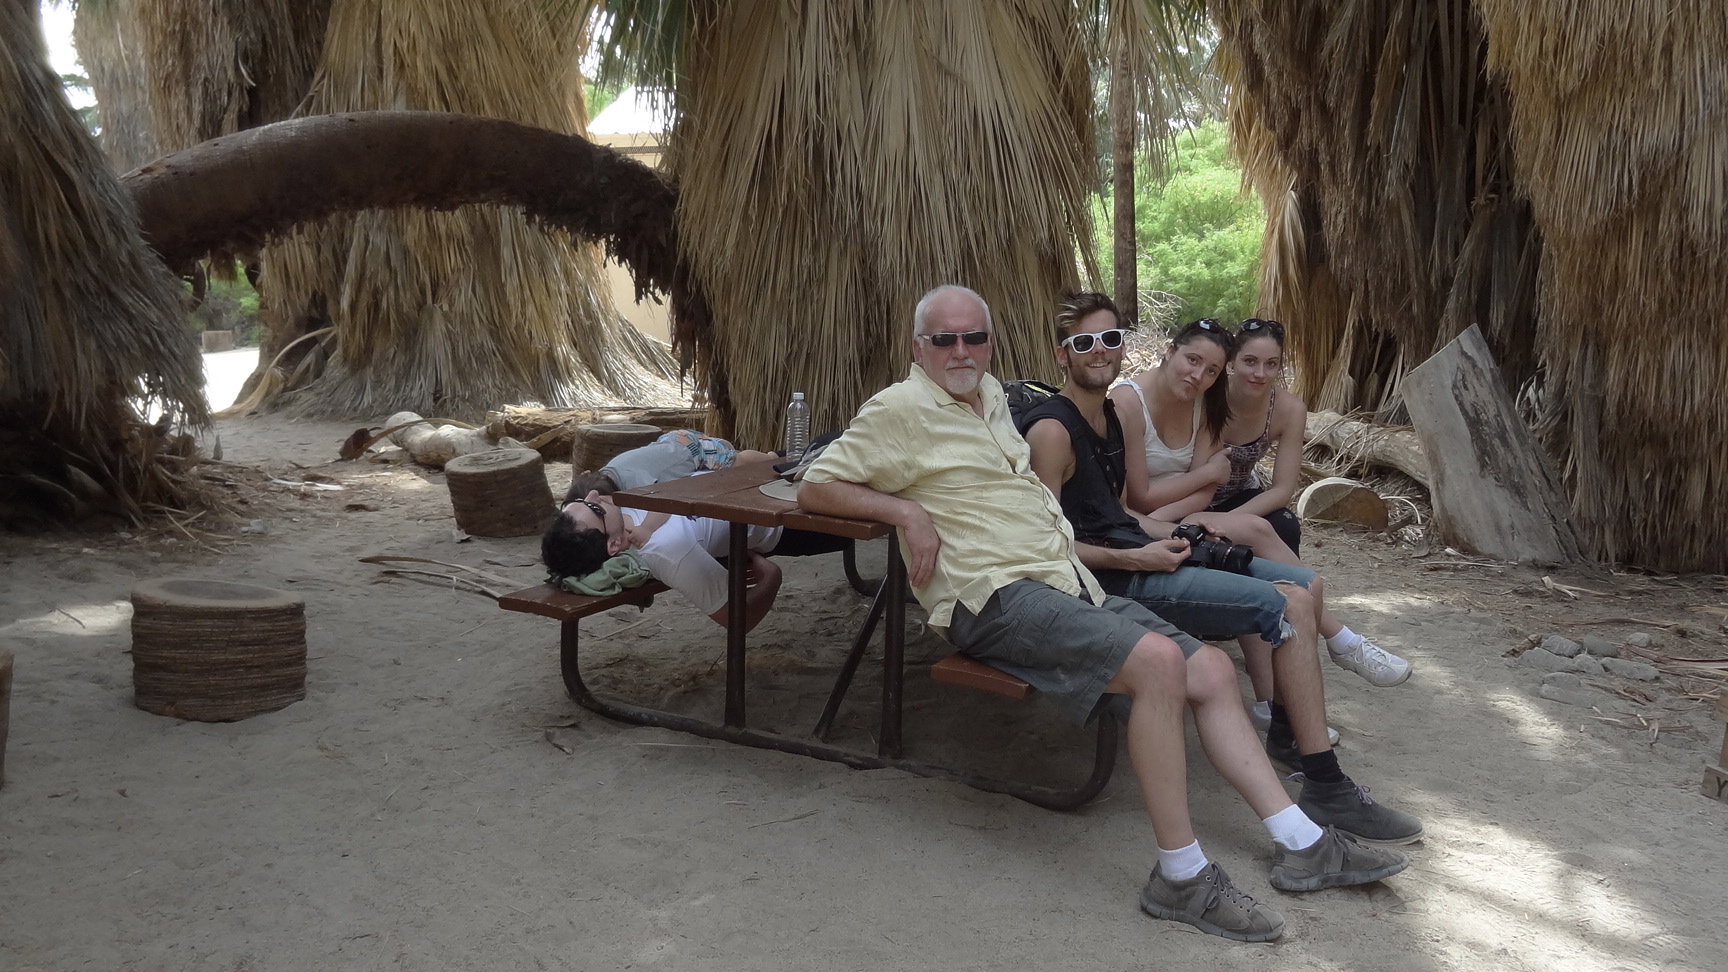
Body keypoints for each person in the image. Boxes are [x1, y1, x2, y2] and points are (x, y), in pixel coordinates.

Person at [798, 284, 1409, 943]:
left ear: (991, 343)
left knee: (1208, 668)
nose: (961, 350)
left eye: (973, 336)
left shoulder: (993, 398)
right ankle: (1181, 876)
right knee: (1158, 663)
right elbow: (814, 485)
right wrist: (906, 512)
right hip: (991, 595)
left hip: (1063, 579)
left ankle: (1302, 841)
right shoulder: (900, 409)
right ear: (919, 347)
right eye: (943, 339)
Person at [1018, 294, 1428, 844]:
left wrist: (1177, 533)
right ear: (1062, 353)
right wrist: (1136, 554)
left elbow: (1119, 510)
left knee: (1303, 588)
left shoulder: (1106, 418)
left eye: (1111, 339)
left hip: (1143, 547)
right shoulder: (1056, 429)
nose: (1101, 351)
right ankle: (1324, 782)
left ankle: (1291, 731)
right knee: (1286, 603)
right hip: (1115, 574)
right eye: (1085, 342)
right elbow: (1049, 543)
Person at [1111, 321, 1414, 690]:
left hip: (1210, 505)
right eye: (1250, 361)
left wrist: (1216, 519)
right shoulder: (1198, 397)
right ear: (1233, 363)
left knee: (1276, 527)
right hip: (1176, 509)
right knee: (1253, 535)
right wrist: (1186, 513)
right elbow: (1187, 482)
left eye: (1271, 364)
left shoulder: (1255, 404)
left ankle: (1287, 675)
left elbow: (1276, 488)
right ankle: (1338, 642)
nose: (1259, 373)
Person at [543, 436, 849, 632]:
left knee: (837, 440)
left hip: (762, 476)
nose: (594, 494)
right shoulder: (666, 551)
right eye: (593, 508)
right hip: (790, 516)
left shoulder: (624, 501)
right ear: (614, 544)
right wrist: (771, 577)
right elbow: (737, 619)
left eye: (577, 503)